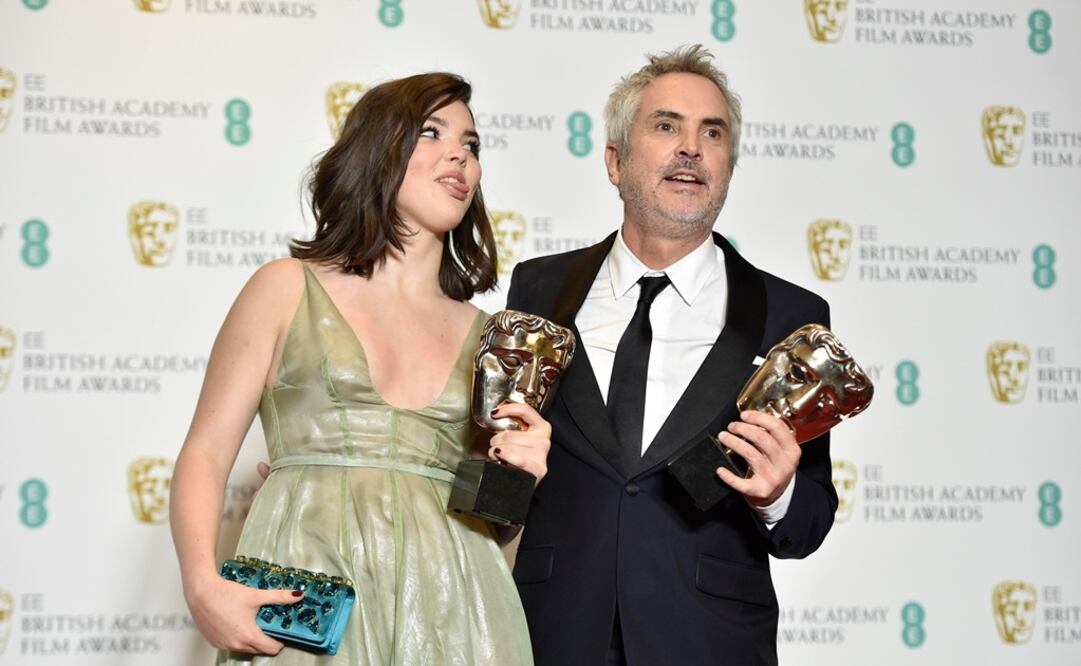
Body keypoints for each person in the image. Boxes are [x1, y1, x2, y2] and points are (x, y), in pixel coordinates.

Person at [170, 72, 549, 665]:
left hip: (456, 609)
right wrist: (201, 585)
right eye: (431, 133)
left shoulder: (490, 338)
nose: (460, 155)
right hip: (309, 596)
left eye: (472, 145)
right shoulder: (284, 288)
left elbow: (489, 526)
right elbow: (205, 454)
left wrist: (520, 480)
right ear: (377, 150)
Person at [505, 45, 838, 665]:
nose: (691, 148)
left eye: (711, 133)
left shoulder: (789, 315)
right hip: (552, 635)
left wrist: (777, 496)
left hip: (708, 642)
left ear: (728, 168)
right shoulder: (538, 291)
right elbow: (500, 471)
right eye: (666, 126)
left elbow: (810, 521)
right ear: (615, 160)